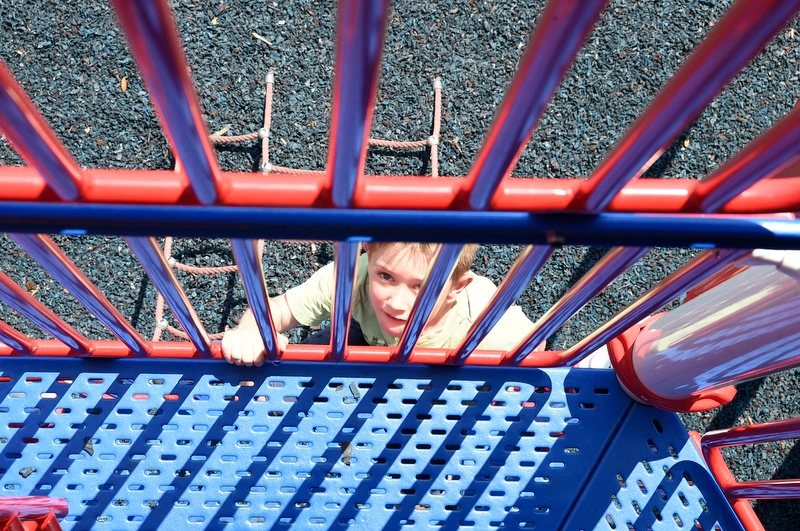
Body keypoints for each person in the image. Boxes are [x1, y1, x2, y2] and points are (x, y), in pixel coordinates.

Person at [221, 242, 543, 366]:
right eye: (386, 277)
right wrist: (250, 332)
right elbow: (277, 309)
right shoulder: (351, 276)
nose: (397, 303)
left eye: (422, 287)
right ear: (367, 256)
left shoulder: (484, 310)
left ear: (456, 288)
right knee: (306, 360)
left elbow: (536, 347)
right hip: (367, 339)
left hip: (446, 366)